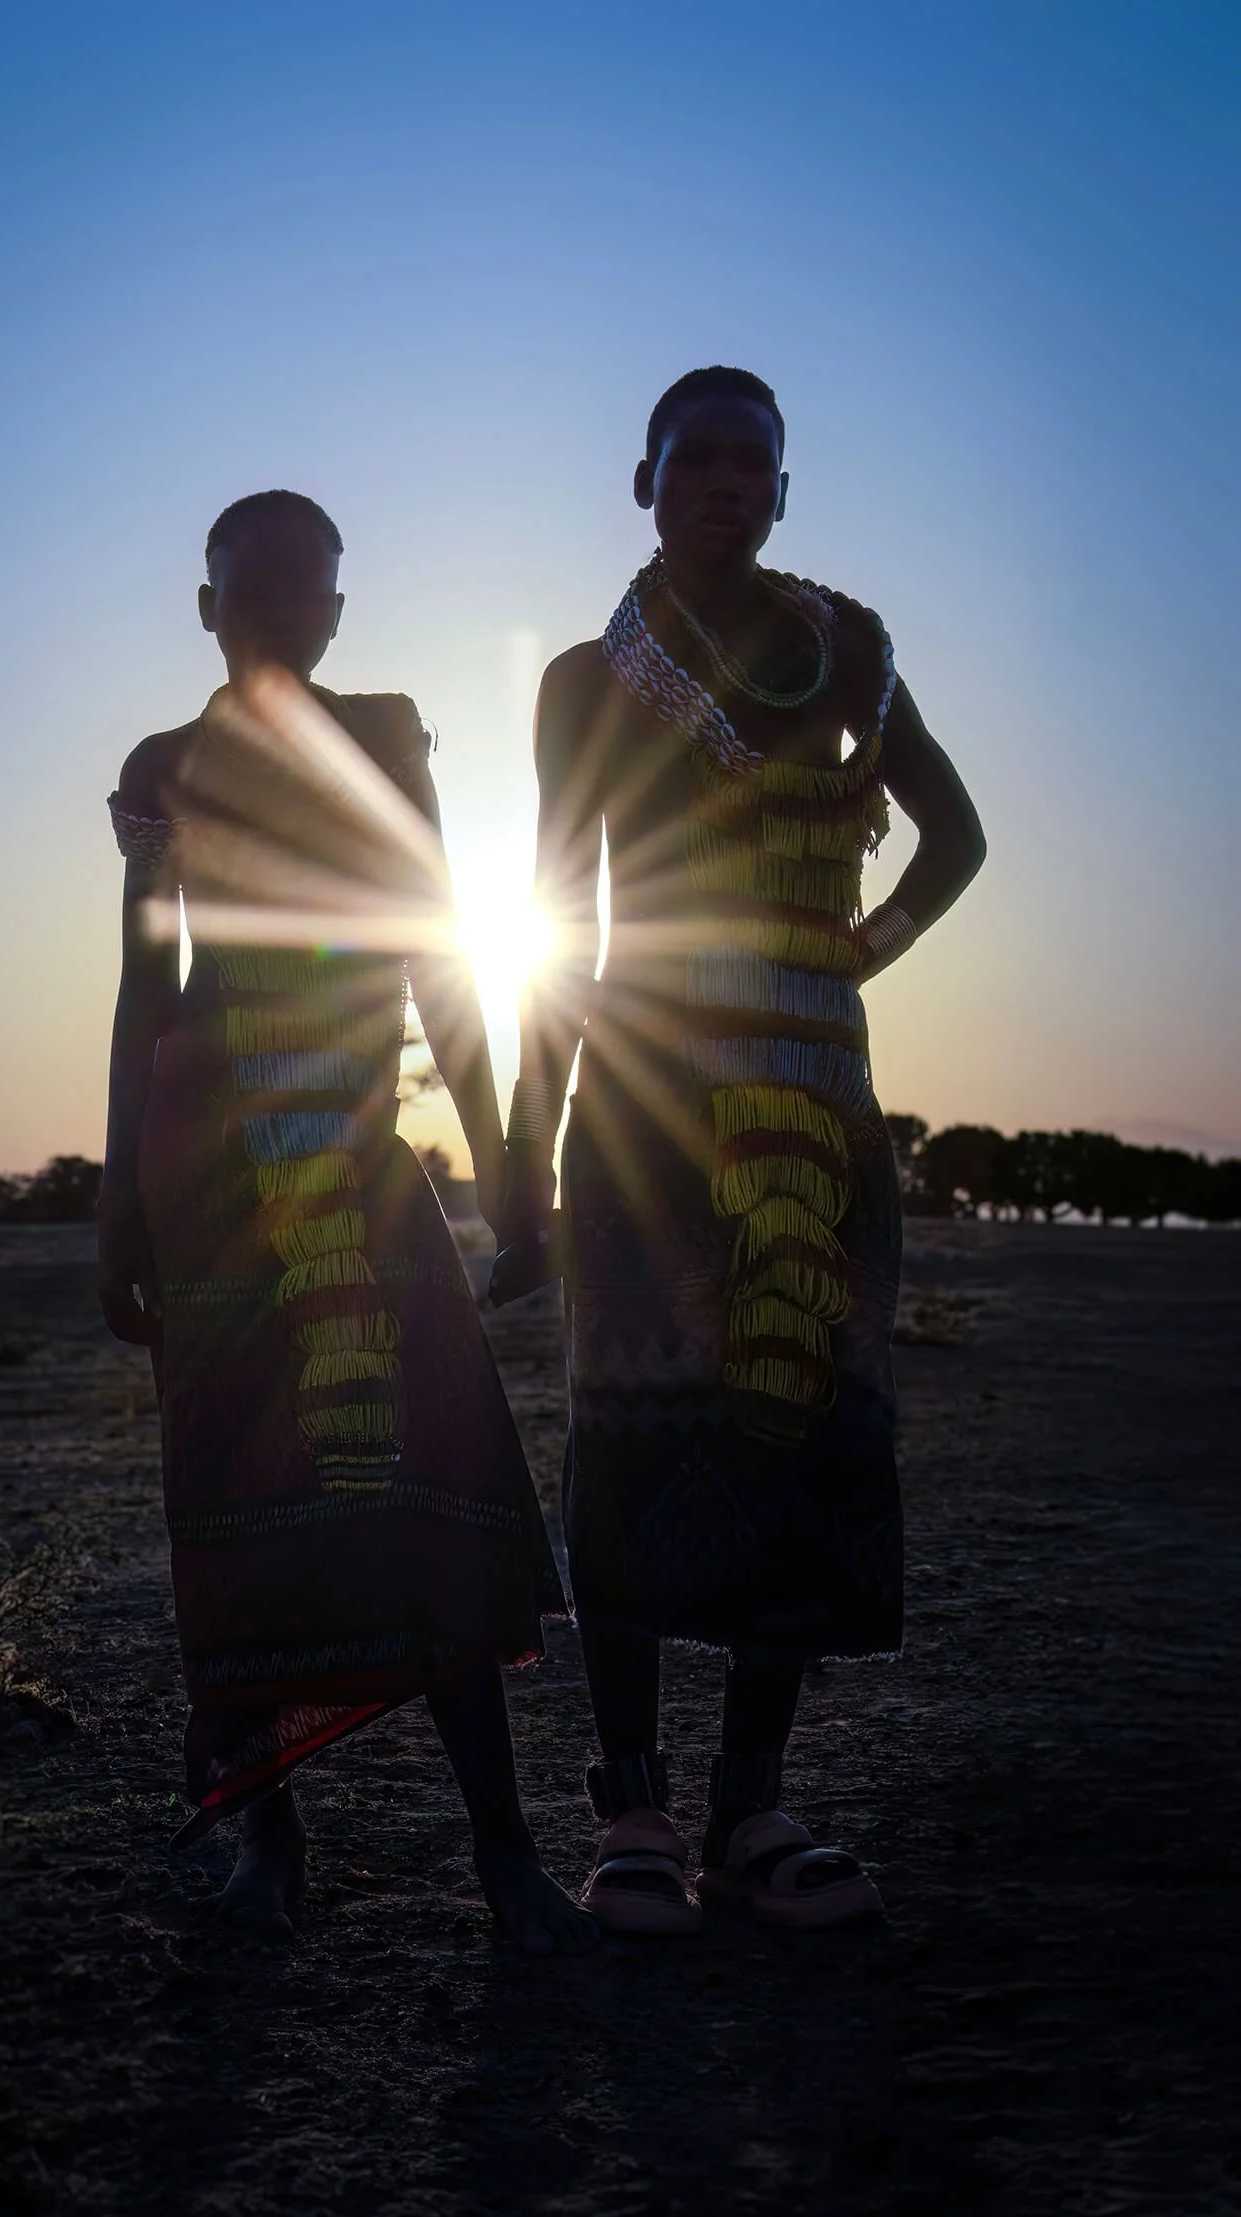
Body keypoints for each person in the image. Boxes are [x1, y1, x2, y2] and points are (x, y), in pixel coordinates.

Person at [493, 368, 986, 1933]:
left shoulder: (852, 656)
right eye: (690, 457)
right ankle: (631, 1796)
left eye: (750, 460)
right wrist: (522, 1146)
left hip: (819, 1103)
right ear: (641, 485)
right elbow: (561, 912)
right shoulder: (592, 679)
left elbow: (957, 840)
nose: (721, 480)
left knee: (806, 1428)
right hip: (644, 1104)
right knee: (637, 1436)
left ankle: (748, 1809)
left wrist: (863, 949)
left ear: (785, 489)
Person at [100, 488, 595, 1953]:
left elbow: (439, 947)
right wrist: (116, 1196)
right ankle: (275, 1850)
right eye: (247, 591)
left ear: (335, 607)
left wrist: (510, 1164)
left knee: (428, 1484)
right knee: (233, 1500)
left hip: (369, 1164)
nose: (277, 613)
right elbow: (145, 982)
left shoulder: (385, 739)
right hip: (210, 1168)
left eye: (304, 590)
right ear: (208, 608)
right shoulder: (164, 765)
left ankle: (506, 1860)